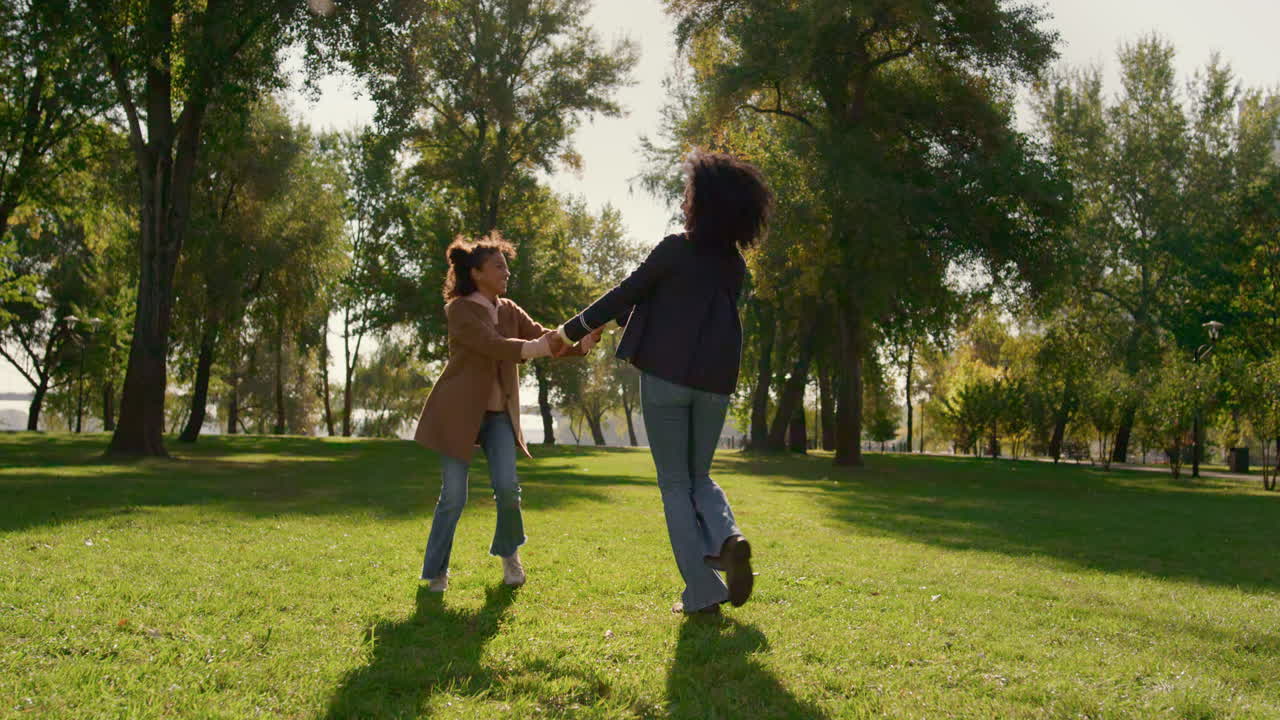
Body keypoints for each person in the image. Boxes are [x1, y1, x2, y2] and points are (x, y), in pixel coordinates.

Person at [553, 151, 773, 615]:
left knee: (674, 484)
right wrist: (612, 323)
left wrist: (570, 331)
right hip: (715, 382)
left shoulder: (674, 248)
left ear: (701, 203)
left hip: (667, 377)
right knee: (699, 477)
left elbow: (629, 293)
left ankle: (703, 591)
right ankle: (728, 538)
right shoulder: (735, 266)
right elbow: (674, 301)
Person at [414, 232, 600, 592]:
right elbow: (494, 345)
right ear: (477, 273)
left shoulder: (509, 309)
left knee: (508, 489)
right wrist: (540, 346)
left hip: (499, 416)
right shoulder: (460, 310)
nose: (507, 272)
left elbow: (544, 336)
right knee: (453, 497)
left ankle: (510, 557)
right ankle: (437, 571)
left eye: (506, 267)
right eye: (499, 266)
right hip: (457, 414)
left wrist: (582, 342)